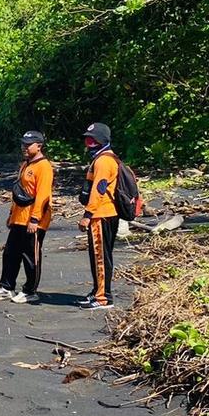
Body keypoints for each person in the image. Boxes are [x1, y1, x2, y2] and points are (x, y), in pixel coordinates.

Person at [0, 131, 53, 304]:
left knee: (31, 256)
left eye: (28, 144)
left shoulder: (44, 166)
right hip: (19, 217)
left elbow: (43, 195)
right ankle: (6, 287)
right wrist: (11, 215)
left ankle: (30, 290)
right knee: (10, 253)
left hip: (33, 219)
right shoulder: (26, 164)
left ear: (39, 146)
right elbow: (19, 192)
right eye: (23, 144)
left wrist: (35, 219)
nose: (24, 147)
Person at [78, 122, 119, 310]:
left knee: (101, 256)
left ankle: (103, 297)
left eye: (92, 140)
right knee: (98, 256)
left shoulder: (103, 161)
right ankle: (97, 291)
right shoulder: (102, 158)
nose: (89, 143)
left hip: (102, 214)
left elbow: (99, 189)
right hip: (103, 213)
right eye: (87, 139)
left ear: (101, 140)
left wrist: (88, 214)